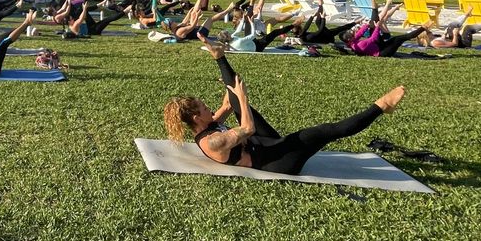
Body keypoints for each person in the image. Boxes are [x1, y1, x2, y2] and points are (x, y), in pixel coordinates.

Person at [162, 44, 406, 175]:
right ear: (196, 118)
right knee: (322, 132)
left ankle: (219, 56)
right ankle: (382, 106)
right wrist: (243, 98)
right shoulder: (212, 142)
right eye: (204, 107)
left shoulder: (209, 124)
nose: (209, 108)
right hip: (274, 162)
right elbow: (247, 127)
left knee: (236, 102)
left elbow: (228, 104)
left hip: (262, 145)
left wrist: (221, 64)